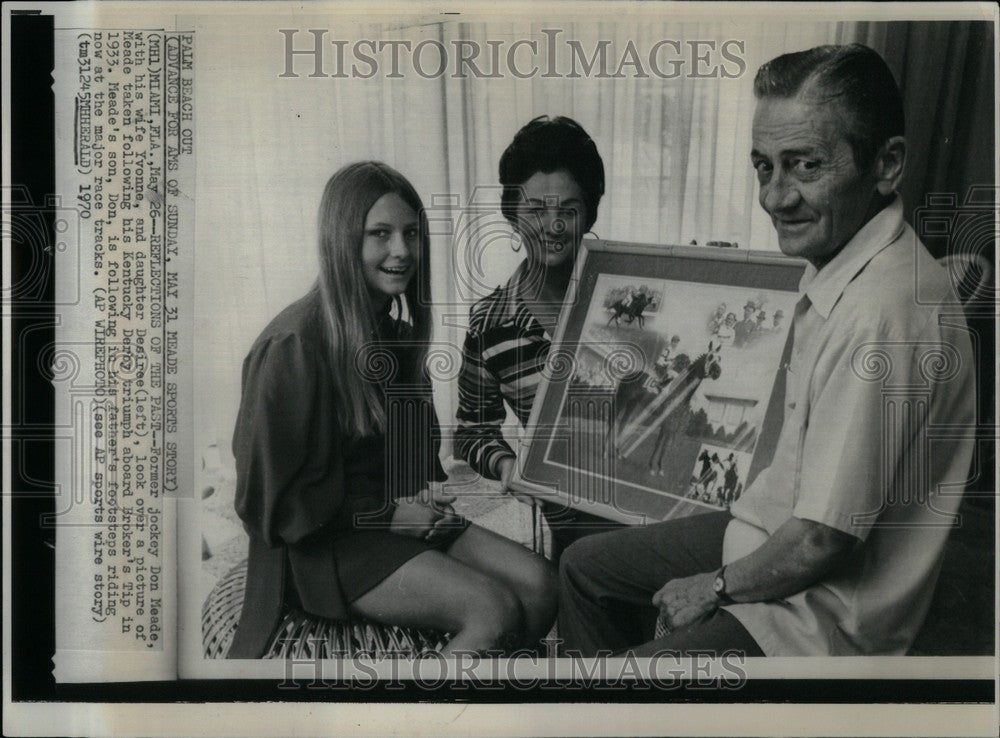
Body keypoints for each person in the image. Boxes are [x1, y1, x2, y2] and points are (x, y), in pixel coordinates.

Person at [559, 44, 976, 657]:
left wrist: (714, 586)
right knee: (583, 569)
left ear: (888, 165)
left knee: (623, 684)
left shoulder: (880, 313)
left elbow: (821, 542)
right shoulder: (850, 262)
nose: (775, 198)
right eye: (763, 167)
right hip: (768, 539)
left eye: (805, 166)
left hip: (816, 620)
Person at [228, 162, 556, 659]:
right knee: (492, 611)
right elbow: (271, 509)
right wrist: (389, 516)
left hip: (389, 525)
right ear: (343, 242)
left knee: (540, 585)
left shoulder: (397, 340)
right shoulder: (292, 345)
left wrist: (424, 496)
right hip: (323, 549)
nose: (401, 250)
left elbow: (409, 465)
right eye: (379, 234)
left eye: (410, 234)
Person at [455, 115, 619, 557]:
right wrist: (507, 463)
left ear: (588, 213)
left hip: (651, 490)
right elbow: (472, 429)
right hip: (570, 505)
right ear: (512, 214)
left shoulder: (625, 296)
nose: (553, 225)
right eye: (535, 210)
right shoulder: (489, 323)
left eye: (568, 209)